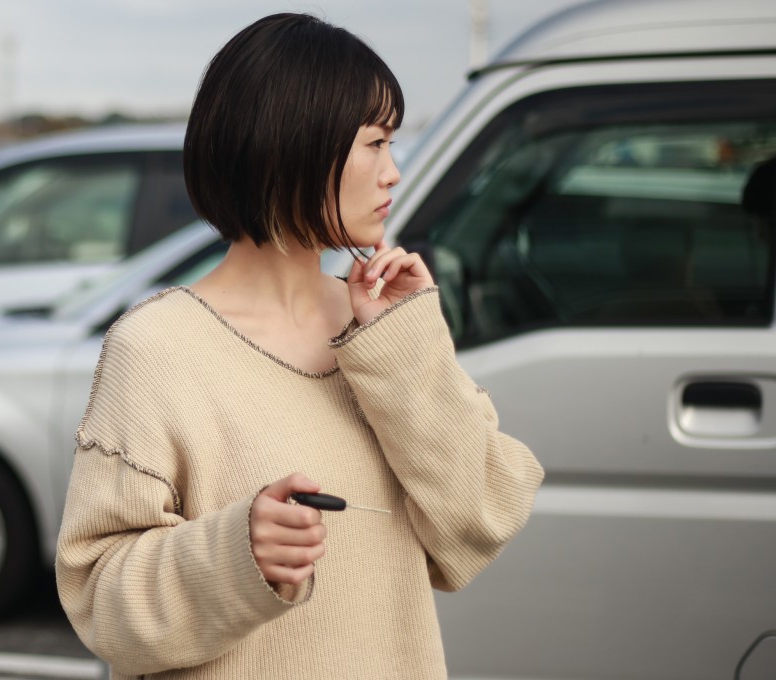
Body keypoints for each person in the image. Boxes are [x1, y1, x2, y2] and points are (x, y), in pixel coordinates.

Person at [56, 13, 543, 680]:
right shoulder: (156, 348)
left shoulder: (382, 327)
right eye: (376, 143)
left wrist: (401, 346)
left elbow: (478, 522)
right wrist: (236, 555)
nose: (394, 173)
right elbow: (99, 601)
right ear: (294, 145)